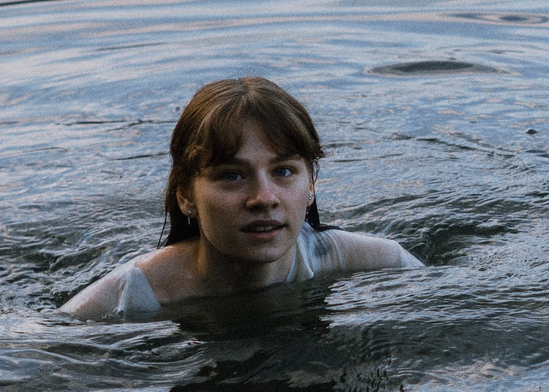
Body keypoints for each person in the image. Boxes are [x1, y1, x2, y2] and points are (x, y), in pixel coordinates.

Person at [63, 77, 420, 321]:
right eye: (232, 175)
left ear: (311, 183)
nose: (264, 198)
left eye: (283, 172)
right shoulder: (126, 299)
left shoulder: (378, 262)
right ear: (186, 195)